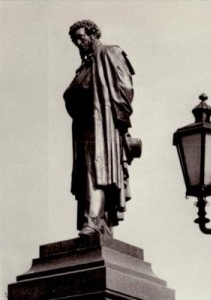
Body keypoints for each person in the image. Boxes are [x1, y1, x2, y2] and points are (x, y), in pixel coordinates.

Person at [64, 20, 136, 236]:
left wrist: (119, 121)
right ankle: (99, 221)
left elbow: (125, 87)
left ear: (93, 34)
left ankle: (93, 220)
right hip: (84, 126)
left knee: (98, 169)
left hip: (104, 123)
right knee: (86, 171)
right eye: (75, 39)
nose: (79, 42)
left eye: (82, 36)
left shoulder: (110, 53)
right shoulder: (84, 66)